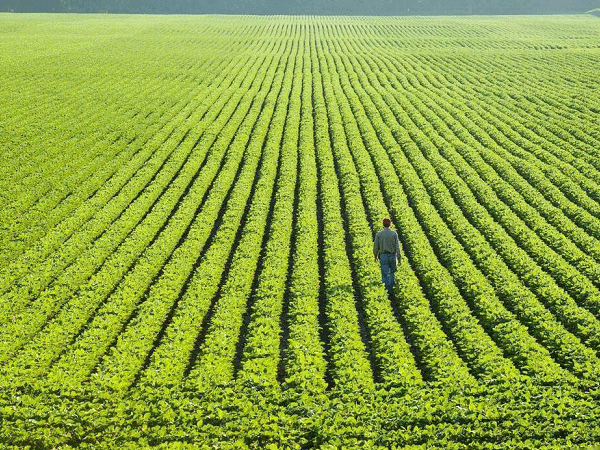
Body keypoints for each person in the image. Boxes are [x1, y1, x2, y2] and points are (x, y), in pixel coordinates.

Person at [373, 217, 402, 294]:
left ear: (383, 224)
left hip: (383, 256)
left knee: (385, 273)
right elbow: (397, 247)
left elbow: (376, 247)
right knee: (392, 272)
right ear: (390, 224)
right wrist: (399, 258)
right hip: (392, 256)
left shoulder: (379, 234)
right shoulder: (394, 234)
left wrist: (375, 256)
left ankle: (386, 290)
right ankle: (391, 288)